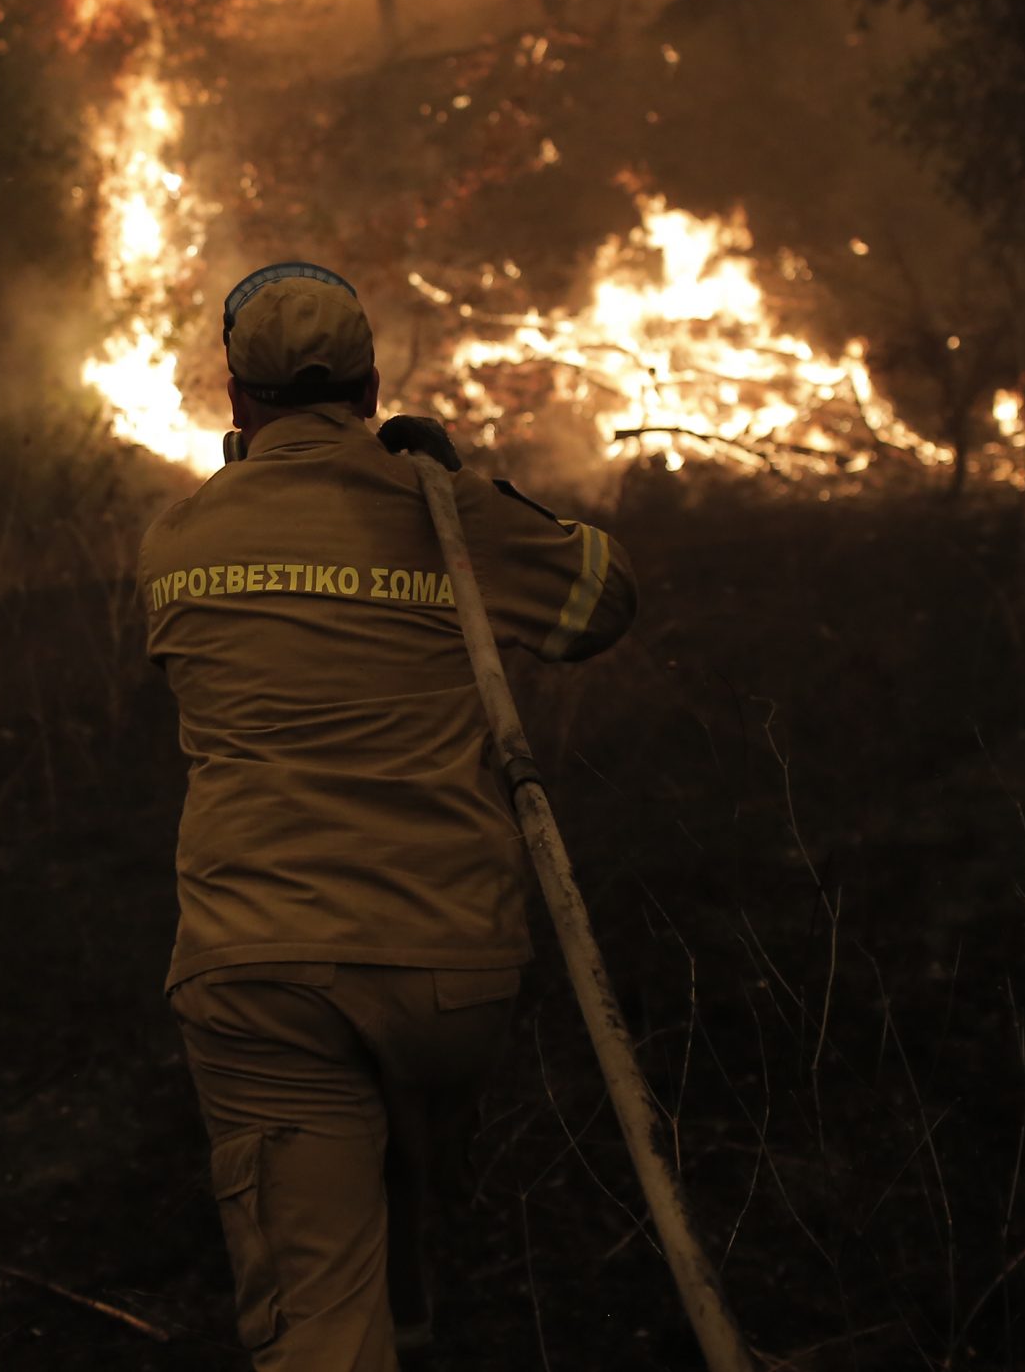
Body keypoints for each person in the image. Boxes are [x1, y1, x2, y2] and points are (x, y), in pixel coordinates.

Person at [138, 261, 638, 1369]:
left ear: (236, 399)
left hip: (260, 964)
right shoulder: (445, 517)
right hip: (447, 963)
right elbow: (603, 600)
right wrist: (460, 486)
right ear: (373, 388)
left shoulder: (176, 541)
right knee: (406, 1187)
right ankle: (405, 1310)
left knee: (320, 1301)